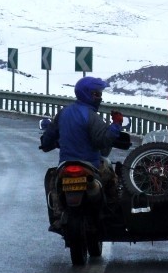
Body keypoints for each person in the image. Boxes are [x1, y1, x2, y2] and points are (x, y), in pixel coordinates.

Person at [42, 76, 123, 231]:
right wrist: (116, 126)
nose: (99, 97)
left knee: (52, 181)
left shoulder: (63, 113)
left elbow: (49, 136)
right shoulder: (91, 116)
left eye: (99, 94)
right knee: (112, 179)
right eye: (96, 94)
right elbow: (102, 141)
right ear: (87, 94)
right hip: (92, 164)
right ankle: (112, 215)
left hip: (65, 164)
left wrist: (45, 143)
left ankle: (57, 216)